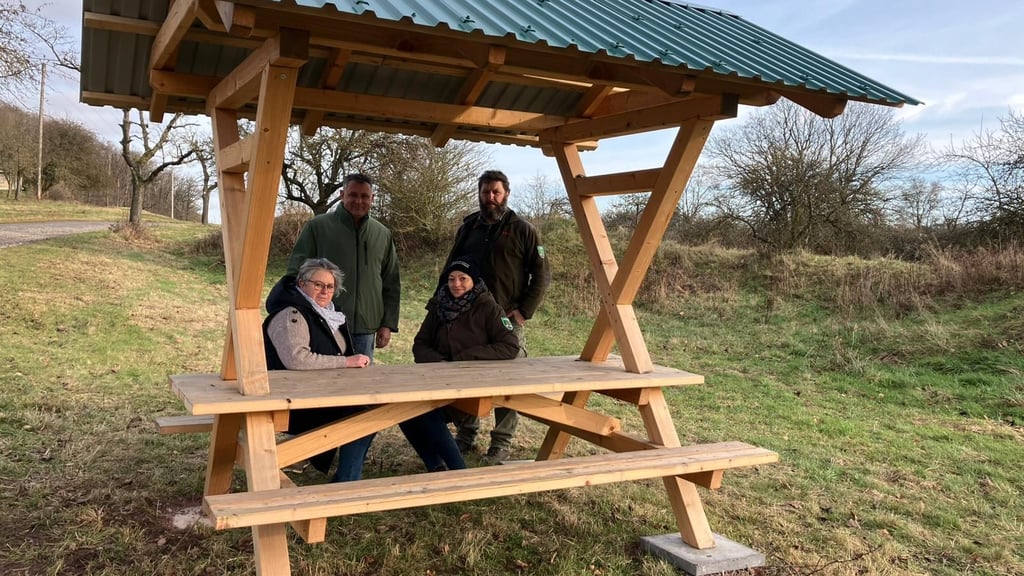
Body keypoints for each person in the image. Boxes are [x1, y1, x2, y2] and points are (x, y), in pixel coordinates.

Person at [264, 258, 464, 481]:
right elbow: (296, 359)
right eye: (318, 284)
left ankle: (449, 467)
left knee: (407, 403)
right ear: (302, 284)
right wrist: (347, 362)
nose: (324, 291)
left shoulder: (328, 314)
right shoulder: (291, 315)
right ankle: (347, 480)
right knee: (368, 412)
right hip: (298, 402)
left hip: (326, 393)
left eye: (330, 286)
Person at [440, 170, 551, 463]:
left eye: (496, 192)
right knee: (467, 376)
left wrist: (524, 312)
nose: (490, 197)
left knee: (508, 381)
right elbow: (451, 266)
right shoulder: (468, 227)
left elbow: (541, 274)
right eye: (486, 192)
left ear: (506, 195)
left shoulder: (523, 230)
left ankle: (501, 442)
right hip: (468, 318)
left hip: (505, 319)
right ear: (479, 193)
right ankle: (466, 434)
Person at [287, 173, 400, 362]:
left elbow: (391, 282)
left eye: (365, 196)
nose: (359, 201)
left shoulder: (382, 234)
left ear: (372, 198)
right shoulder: (318, 227)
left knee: (362, 385)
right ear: (342, 195)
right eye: (353, 195)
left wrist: (387, 324)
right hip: (324, 323)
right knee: (325, 381)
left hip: (365, 328)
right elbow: (295, 273)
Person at [413, 256, 521, 364]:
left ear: (473, 281)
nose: (456, 284)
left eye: (462, 278)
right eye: (451, 279)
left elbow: (510, 346)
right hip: (440, 372)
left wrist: (465, 358)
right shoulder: (437, 305)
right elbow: (420, 345)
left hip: (478, 372)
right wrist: (439, 361)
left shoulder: (489, 308)